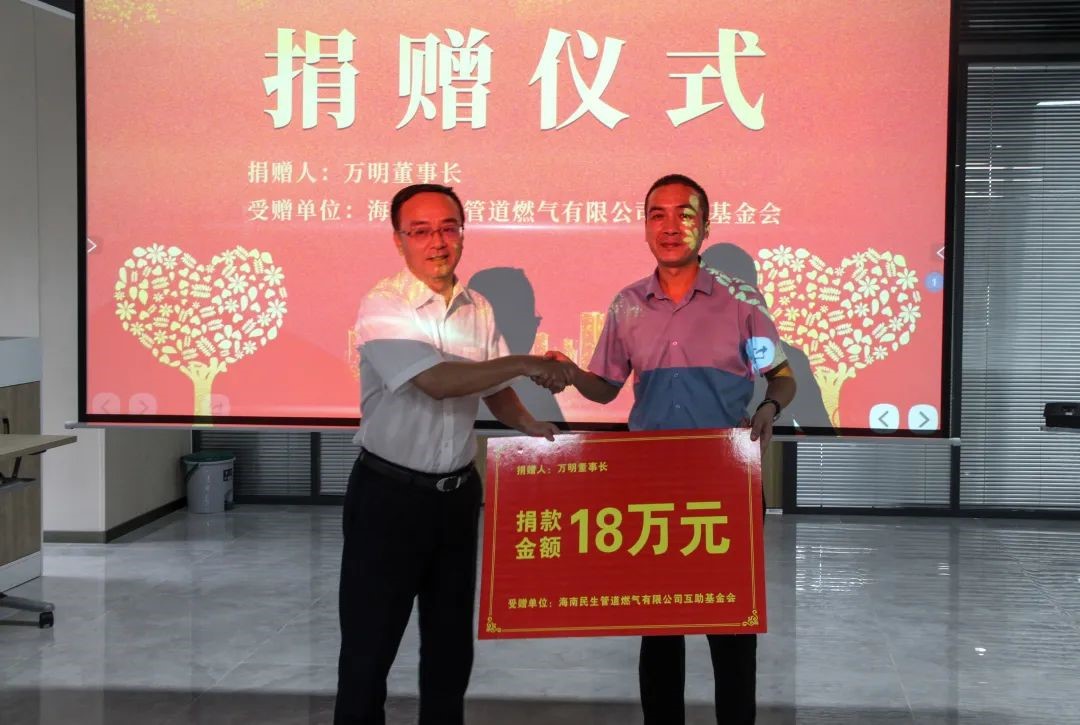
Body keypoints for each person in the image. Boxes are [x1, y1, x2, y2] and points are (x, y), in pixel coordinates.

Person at [541, 174, 796, 725]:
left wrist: (770, 408)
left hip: (724, 480)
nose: (670, 226)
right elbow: (605, 387)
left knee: (731, 628)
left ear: (706, 225)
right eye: (657, 214)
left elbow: (781, 376)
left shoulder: (741, 302)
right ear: (645, 226)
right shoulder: (628, 305)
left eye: (685, 214)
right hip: (650, 484)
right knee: (658, 628)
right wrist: (571, 374)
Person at [335, 183, 573, 725]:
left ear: (462, 233)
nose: (437, 242)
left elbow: (493, 390)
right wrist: (526, 362)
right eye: (420, 231)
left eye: (448, 228)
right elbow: (438, 382)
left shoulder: (478, 308)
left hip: (457, 499)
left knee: (449, 652)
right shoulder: (384, 304)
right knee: (369, 651)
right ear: (399, 240)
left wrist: (532, 426)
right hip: (388, 499)